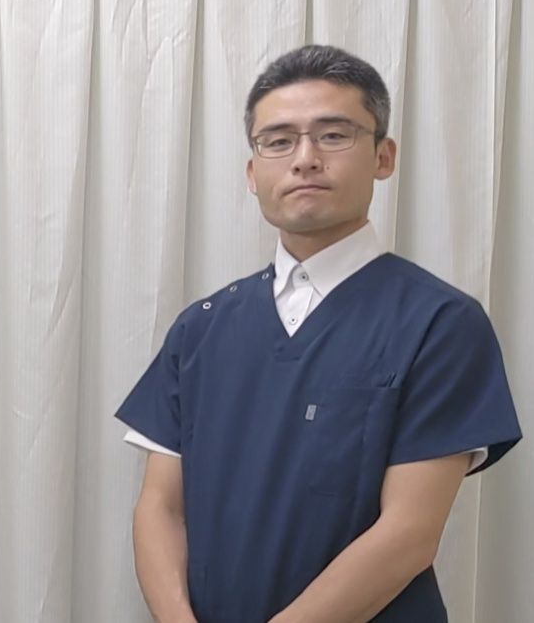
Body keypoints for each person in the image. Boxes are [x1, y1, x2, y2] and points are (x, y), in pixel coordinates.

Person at [115, 45, 522, 623]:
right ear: (253, 174)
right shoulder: (202, 327)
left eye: (333, 135)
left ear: (383, 156)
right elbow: (161, 508)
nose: (304, 159)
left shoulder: (438, 322)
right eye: (278, 141)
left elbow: (409, 533)